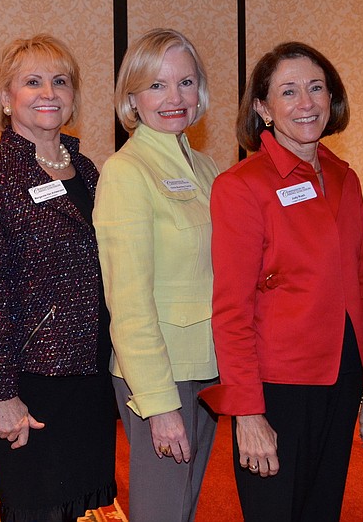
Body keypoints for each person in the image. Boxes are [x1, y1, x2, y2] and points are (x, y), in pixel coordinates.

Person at [199, 42, 363, 521]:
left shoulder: (344, 179)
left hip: (342, 378)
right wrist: (247, 412)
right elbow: (231, 310)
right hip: (277, 386)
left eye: (316, 88)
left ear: (332, 98)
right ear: (263, 108)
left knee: (321, 509)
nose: (306, 103)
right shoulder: (242, 186)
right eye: (289, 91)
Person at [0, 34, 117, 522]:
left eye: (60, 82)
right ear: (6, 99)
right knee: (32, 509)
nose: (49, 93)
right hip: (26, 378)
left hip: (84, 373)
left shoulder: (86, 170)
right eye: (32, 82)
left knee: (66, 509)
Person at [93, 28, 219, 522]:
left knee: (182, 507)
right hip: (159, 374)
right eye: (157, 85)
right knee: (161, 511)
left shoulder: (207, 168)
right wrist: (159, 402)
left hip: (206, 366)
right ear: (132, 98)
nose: (174, 98)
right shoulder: (128, 172)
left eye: (185, 82)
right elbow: (127, 301)